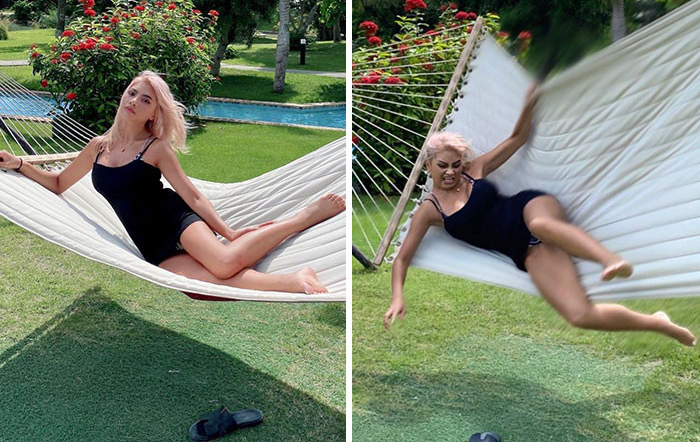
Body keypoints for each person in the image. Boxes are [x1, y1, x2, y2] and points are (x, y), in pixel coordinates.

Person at [383, 86, 696, 346]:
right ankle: (658, 323)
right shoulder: (430, 209)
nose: (451, 172)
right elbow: (402, 259)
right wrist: (398, 297)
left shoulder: (474, 171)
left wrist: (530, 100)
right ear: (429, 166)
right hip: (527, 250)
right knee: (579, 315)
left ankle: (609, 260)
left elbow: (517, 138)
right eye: (443, 166)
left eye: (455, 164)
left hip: (530, 208)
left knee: (540, 225)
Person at [0, 71, 344, 294]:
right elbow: (59, 183)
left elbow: (192, 196)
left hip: (175, 218)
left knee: (224, 263)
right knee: (206, 287)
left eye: (145, 100)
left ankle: (302, 218)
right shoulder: (98, 146)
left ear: (154, 113)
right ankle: (296, 278)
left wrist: (228, 232)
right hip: (150, 242)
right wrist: (20, 164)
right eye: (132, 93)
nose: (134, 102)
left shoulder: (156, 148)